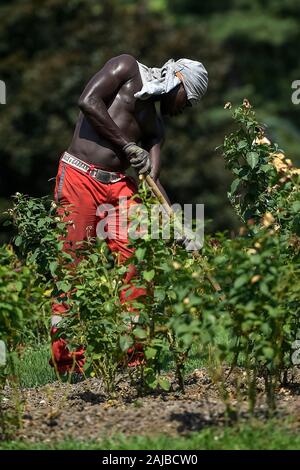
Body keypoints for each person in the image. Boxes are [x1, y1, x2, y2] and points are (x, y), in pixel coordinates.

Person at [50, 54, 208, 372]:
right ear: (178, 80)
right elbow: (88, 100)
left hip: (119, 187)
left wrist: (180, 227)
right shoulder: (126, 68)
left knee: (139, 260)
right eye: (187, 100)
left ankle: (135, 362)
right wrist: (126, 145)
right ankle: (69, 367)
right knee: (72, 267)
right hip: (80, 176)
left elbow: (153, 181)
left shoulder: (155, 128)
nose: (184, 109)